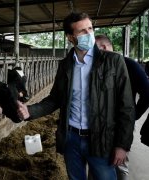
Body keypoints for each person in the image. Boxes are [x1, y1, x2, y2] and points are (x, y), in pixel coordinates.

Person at [17, 12, 135, 180]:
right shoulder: (65, 65)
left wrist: (122, 145)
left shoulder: (113, 62)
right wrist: (30, 111)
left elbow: (127, 106)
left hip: (101, 139)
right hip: (71, 138)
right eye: (83, 31)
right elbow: (55, 99)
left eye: (90, 29)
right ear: (70, 37)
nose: (89, 34)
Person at [95, 34, 149, 180]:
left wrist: (133, 116)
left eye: (93, 50)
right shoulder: (98, 66)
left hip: (121, 123)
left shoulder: (130, 65)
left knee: (119, 162)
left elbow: (147, 93)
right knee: (98, 162)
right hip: (99, 123)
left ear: (104, 48)